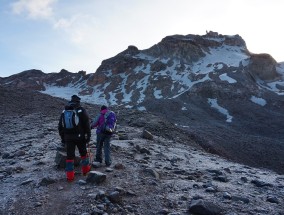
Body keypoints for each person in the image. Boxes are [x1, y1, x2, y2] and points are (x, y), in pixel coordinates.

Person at [58, 95, 91, 181]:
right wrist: (88, 136)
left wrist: (63, 138)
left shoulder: (65, 111)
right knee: (83, 153)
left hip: (68, 138)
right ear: (78, 102)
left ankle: (70, 176)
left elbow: (60, 126)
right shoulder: (81, 110)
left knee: (70, 156)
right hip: (80, 137)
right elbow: (87, 125)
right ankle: (85, 171)